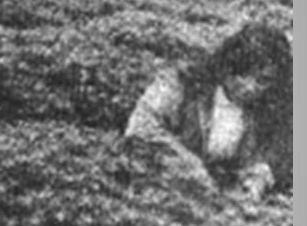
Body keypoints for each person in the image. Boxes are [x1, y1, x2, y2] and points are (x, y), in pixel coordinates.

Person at [124, 22, 292, 200]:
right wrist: (188, 165)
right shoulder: (182, 83)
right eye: (243, 74)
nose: (250, 87)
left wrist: (262, 174)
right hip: (163, 190)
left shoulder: (268, 110)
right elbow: (141, 126)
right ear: (228, 65)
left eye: (262, 80)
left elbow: (283, 152)